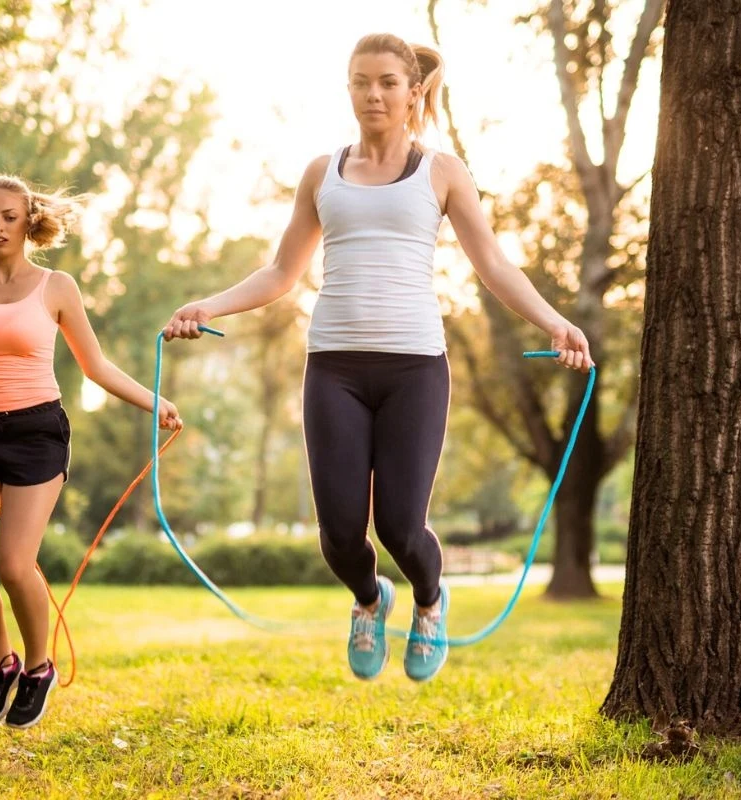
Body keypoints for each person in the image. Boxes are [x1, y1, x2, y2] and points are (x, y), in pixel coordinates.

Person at [163, 34, 593, 683]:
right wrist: (206, 307)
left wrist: (557, 322)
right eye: (362, 81)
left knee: (399, 525)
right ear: (349, 90)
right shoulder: (321, 172)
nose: (374, 93)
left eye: (388, 82)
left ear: (413, 91)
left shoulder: (441, 171)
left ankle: (427, 599)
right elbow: (282, 271)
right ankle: (369, 600)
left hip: (415, 368)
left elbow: (495, 265)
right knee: (338, 533)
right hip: (333, 366)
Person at [0, 174, 182, 729]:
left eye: (8, 216)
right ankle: (2, 663)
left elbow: (95, 367)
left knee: (13, 564)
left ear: (27, 220)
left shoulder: (56, 287)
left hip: (36, 433)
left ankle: (39, 667)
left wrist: (155, 402)